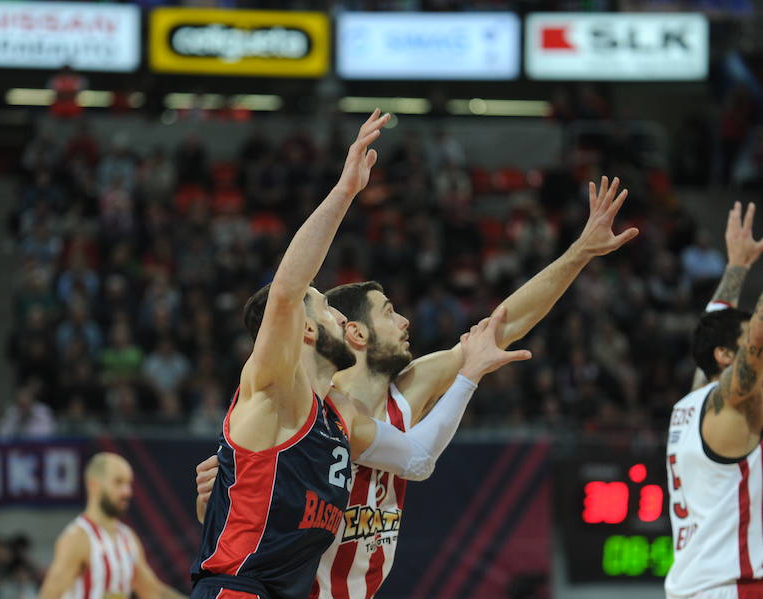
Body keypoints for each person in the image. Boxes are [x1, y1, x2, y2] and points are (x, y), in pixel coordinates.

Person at [196, 176, 640, 598]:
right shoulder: (305, 404)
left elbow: (503, 326)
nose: (405, 321)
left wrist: (579, 253)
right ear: (355, 332)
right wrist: (219, 497)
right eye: (389, 312)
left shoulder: (402, 394)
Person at [190, 110, 531, 599]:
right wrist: (346, 191)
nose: (339, 319)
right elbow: (287, 291)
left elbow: (416, 458)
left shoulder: (336, 418)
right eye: (327, 309)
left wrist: (468, 376)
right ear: (304, 329)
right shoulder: (274, 390)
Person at [666, 201, 763, 599]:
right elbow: (756, 338)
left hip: (694, 587)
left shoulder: (691, 402)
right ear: (726, 357)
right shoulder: (735, 400)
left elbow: (712, 332)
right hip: (734, 589)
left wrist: (737, 267)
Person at [36, 453, 183, 599]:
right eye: (118, 482)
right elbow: (49, 595)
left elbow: (152, 591)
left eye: (129, 483)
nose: (127, 492)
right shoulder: (77, 538)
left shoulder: (128, 537)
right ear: (94, 485)